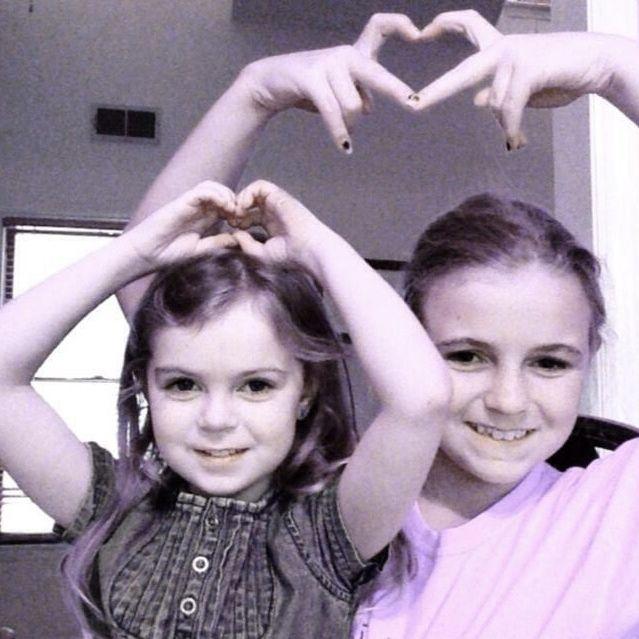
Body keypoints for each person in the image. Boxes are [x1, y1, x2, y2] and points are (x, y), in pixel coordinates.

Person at [115, 9, 639, 638]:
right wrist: (253, 94)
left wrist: (613, 64)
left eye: (549, 362)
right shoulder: (307, 501)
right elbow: (152, 285)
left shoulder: (615, 512)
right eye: (466, 356)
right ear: (401, 345)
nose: (507, 400)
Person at [0, 178, 451, 638]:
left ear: (305, 392)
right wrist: (134, 254)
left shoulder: (328, 536)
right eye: (183, 385)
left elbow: (423, 399)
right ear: (146, 387)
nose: (215, 420)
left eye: (255, 386)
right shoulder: (112, 511)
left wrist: (316, 247)